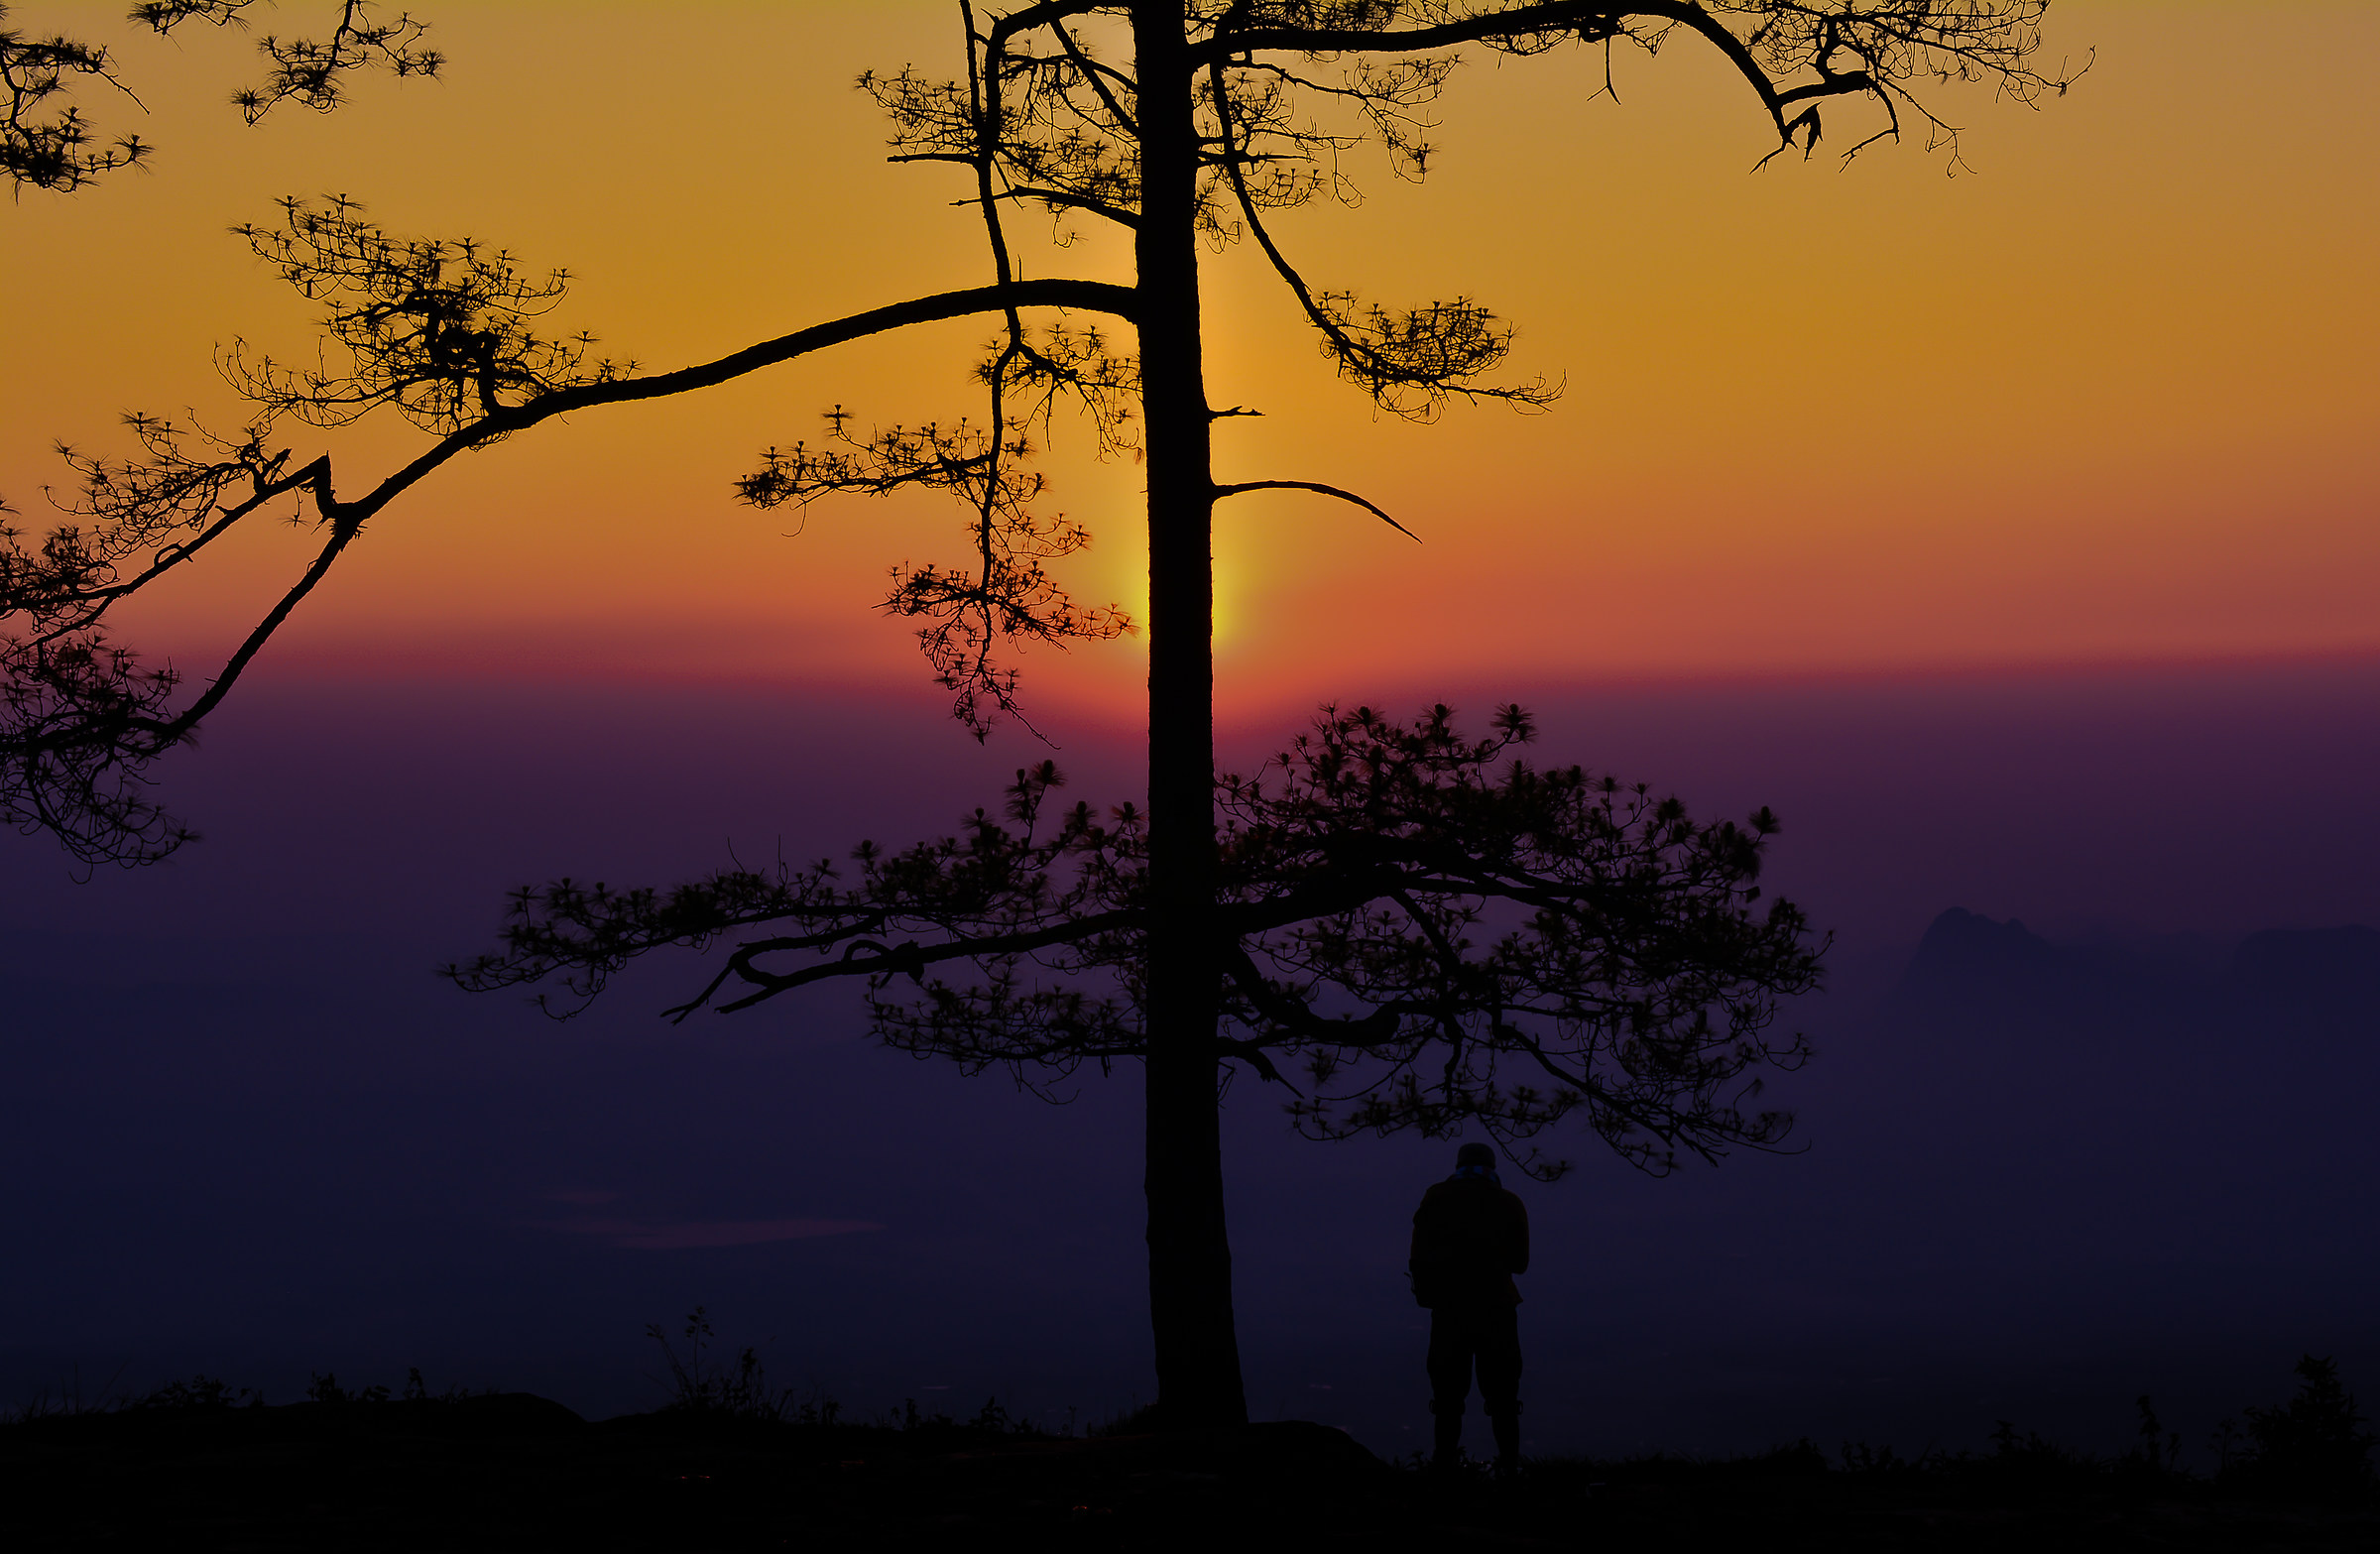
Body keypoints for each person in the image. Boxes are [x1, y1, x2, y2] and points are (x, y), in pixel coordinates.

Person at [1409, 1140, 1529, 1475]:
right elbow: (1520, 1263)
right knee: (1504, 1398)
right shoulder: (1509, 1203)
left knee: (1447, 1400)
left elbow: (1418, 1256)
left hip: (1449, 1310)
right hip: (1498, 1309)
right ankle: (1508, 1469)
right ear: (1492, 1167)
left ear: (1458, 1164)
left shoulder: (1435, 1198)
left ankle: (1444, 1468)